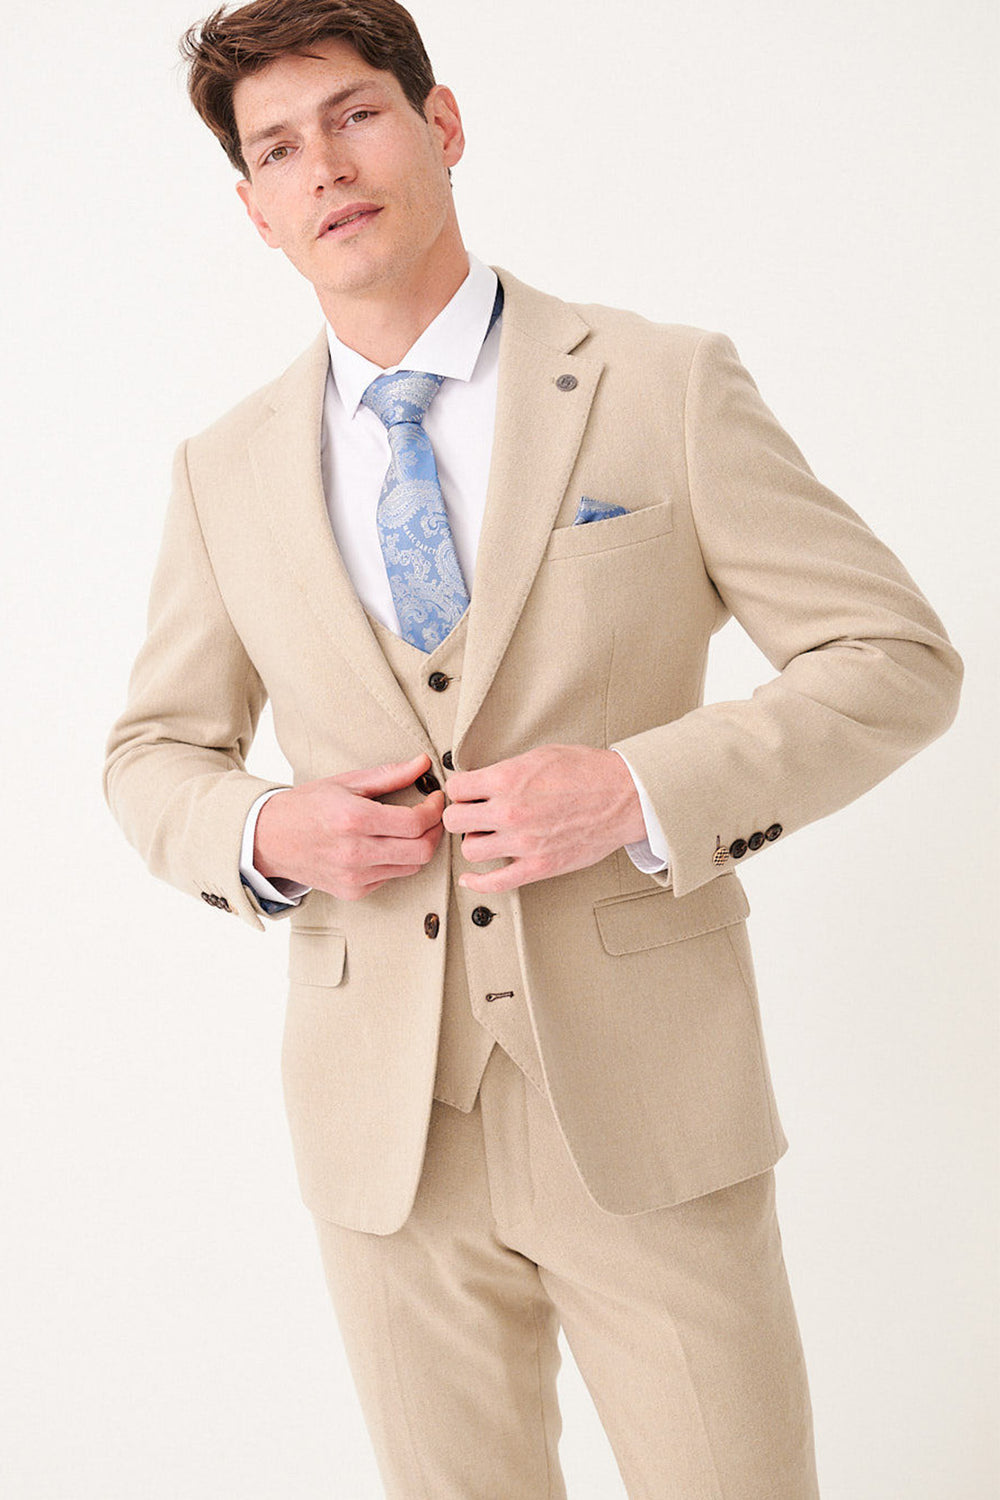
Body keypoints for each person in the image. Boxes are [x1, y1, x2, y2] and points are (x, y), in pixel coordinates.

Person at [102, 1, 963, 1494]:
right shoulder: (224, 468)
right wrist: (264, 833)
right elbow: (153, 753)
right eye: (280, 149)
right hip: (385, 1135)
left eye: (357, 115)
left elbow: (894, 659)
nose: (327, 167)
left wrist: (638, 786)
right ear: (254, 210)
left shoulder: (661, 381)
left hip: (649, 1107)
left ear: (439, 126)